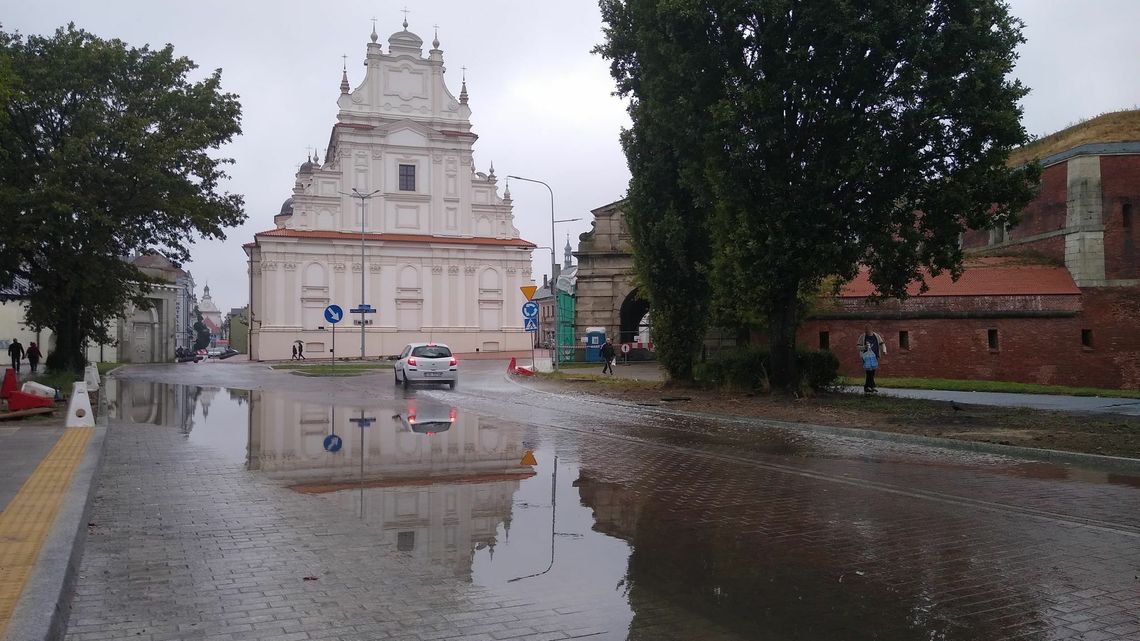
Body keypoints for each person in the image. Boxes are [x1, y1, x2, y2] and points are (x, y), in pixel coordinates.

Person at [857, 326, 887, 394]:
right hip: (866, 357)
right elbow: (858, 347)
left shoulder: (877, 336)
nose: (866, 331)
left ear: (871, 330)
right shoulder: (862, 337)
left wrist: (884, 350)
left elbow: (882, 343)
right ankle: (871, 386)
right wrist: (864, 347)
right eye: (866, 330)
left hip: (874, 356)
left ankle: (868, 387)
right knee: (868, 371)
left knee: (873, 371)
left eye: (868, 330)